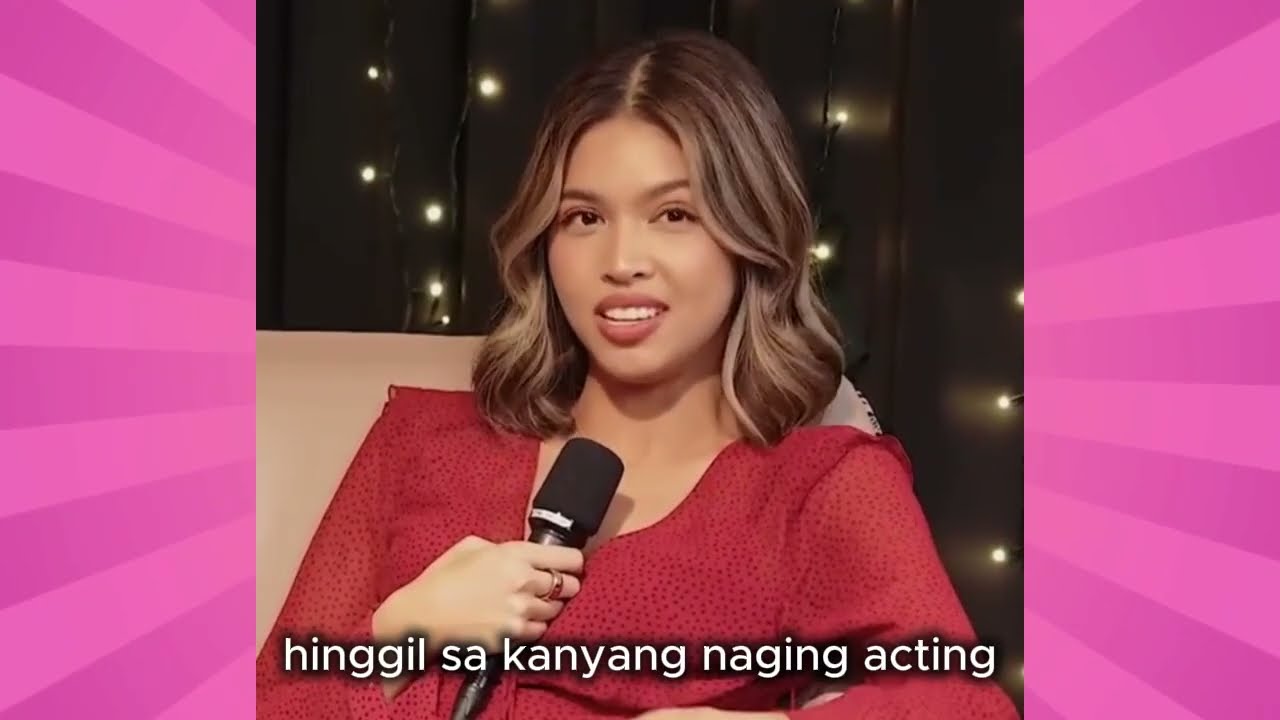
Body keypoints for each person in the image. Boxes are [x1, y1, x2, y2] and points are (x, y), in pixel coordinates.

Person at [257, 29, 1020, 720]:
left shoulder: (816, 487)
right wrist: (406, 634)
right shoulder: (423, 442)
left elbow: (964, 706)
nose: (621, 262)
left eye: (674, 215)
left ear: (750, 237)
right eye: (584, 218)